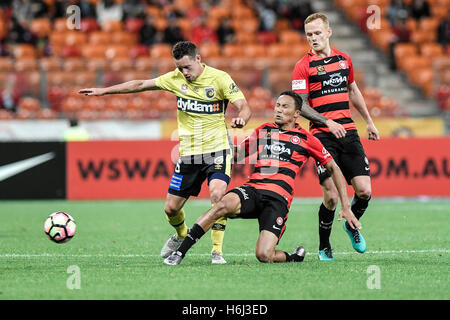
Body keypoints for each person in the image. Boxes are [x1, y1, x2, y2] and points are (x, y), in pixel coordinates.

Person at [79, 41, 252, 264]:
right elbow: (139, 84)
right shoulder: (175, 79)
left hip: (217, 149)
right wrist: (103, 91)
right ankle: (181, 235)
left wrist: (241, 118)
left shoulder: (220, 78)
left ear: (198, 59)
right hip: (189, 153)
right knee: (171, 208)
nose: (184, 73)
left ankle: (216, 251)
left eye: (187, 67)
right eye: (180, 68)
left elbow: (244, 106)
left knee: (218, 196)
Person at [163, 91, 361, 266]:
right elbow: (238, 155)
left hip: (278, 200)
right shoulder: (264, 130)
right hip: (254, 190)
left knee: (264, 255)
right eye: (277, 106)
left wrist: (346, 206)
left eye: (285, 107)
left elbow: (333, 168)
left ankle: (293, 258)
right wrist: (219, 141)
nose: (278, 110)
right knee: (221, 205)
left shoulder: (307, 139)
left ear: (297, 114)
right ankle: (180, 252)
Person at [291, 13, 380, 261]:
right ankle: (324, 246)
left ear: (328, 32)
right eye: (309, 34)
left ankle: (351, 224)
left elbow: (353, 90)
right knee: (330, 196)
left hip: (349, 132)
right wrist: (327, 122)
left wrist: (369, 121)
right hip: (321, 135)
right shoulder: (302, 66)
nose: (313, 38)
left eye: (318, 33)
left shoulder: (344, 60)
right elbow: (301, 105)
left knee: (364, 192)